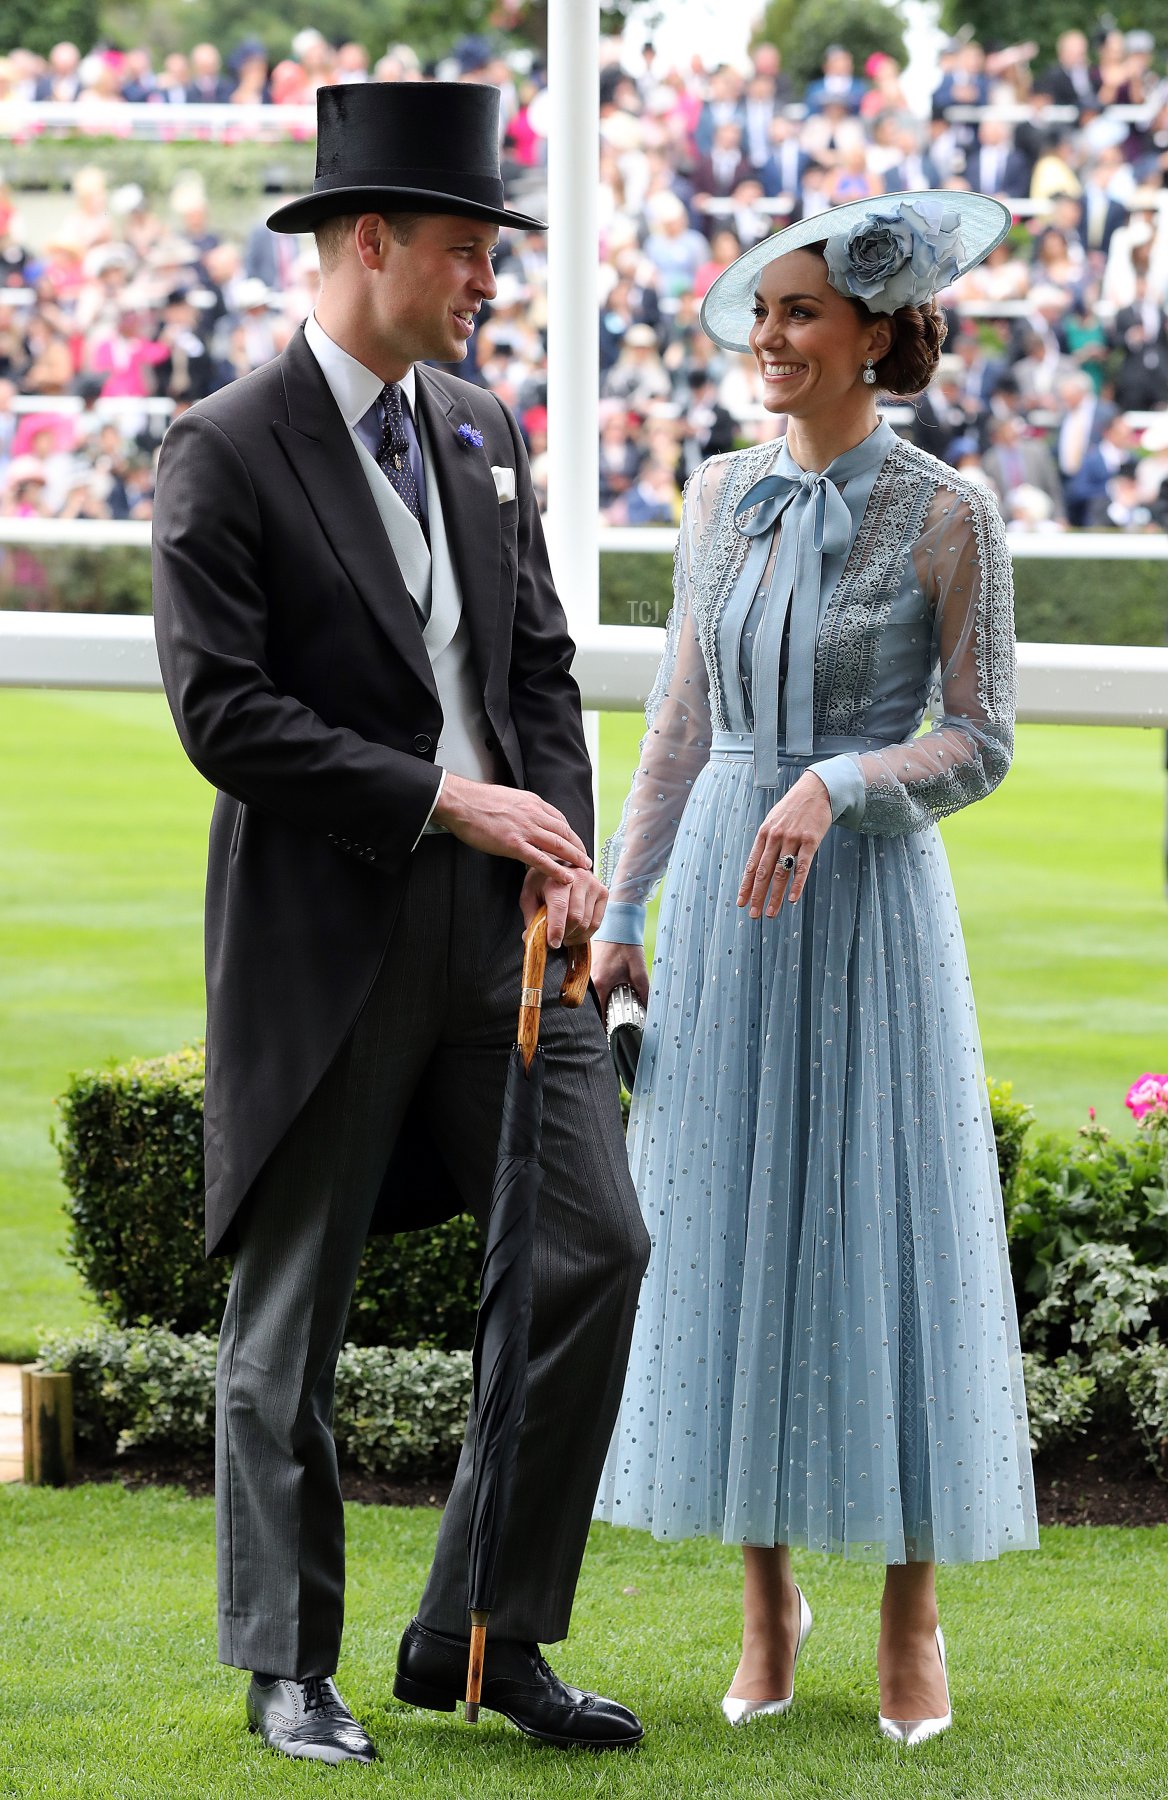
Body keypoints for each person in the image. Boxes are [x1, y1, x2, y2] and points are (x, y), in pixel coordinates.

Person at [152, 81, 648, 1767]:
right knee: (291, 1317)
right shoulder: (224, 444)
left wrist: (560, 846)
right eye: (466, 249)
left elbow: (538, 667)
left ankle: (484, 1634)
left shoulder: (484, 431)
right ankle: (288, 1661)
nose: (489, 278)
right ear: (372, 243)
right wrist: (448, 800)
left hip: (507, 934)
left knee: (597, 1247)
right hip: (330, 935)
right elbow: (222, 713)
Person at [592, 192, 1038, 1745]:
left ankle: (911, 1611)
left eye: (797, 316)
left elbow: (979, 744)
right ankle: (763, 1598)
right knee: (727, 1224)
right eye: (761, 316)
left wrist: (841, 782)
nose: (766, 341)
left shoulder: (950, 513)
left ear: (876, 336)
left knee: (884, 1224)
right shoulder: (715, 498)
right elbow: (674, 731)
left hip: (866, 905)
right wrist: (623, 913)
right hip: (721, 895)